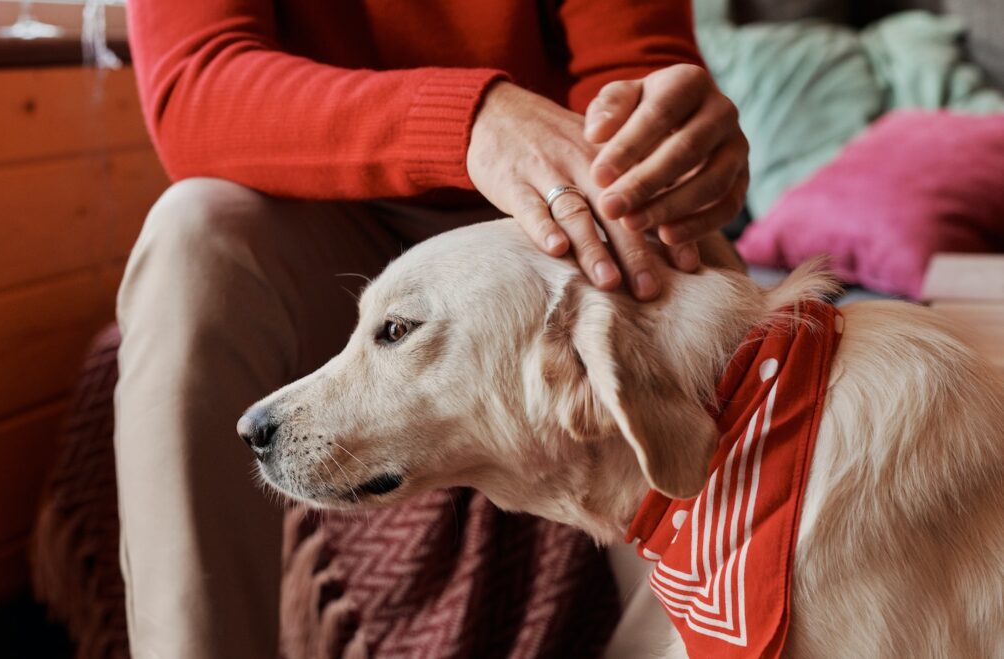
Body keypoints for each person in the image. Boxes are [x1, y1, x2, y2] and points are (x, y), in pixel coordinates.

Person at [116, 1, 749, 656]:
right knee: (189, 234)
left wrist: (663, 146)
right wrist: (470, 121)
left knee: (682, 262)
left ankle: (716, 624)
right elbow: (195, 83)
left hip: (546, 219)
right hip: (324, 201)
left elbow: (630, 67)